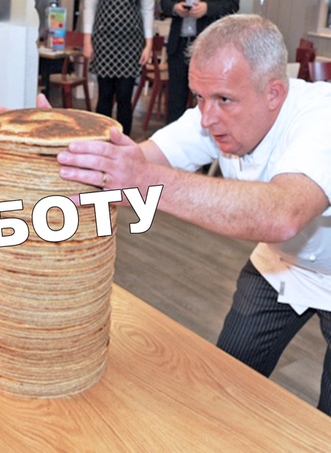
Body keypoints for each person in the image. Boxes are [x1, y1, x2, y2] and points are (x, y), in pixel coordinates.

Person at [56, 14, 331, 414]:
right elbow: (136, 162)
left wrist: (144, 180)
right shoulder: (211, 117)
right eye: (199, 97)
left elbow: (283, 214)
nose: (206, 118)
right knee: (226, 380)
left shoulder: (321, 117)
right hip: (281, 264)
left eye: (223, 100)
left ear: (274, 93)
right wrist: (55, 152)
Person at [82, 0, 154, 135]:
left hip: (132, 41)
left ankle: (124, 141)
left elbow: (147, 10)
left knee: (124, 96)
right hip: (103, 39)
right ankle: (101, 138)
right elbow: (90, 6)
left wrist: (148, 45)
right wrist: (87, 40)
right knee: (104, 95)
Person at [161, 0, 238, 124]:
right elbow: (164, 3)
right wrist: (175, 8)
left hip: (208, 46)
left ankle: (209, 131)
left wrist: (207, 8)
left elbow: (232, 5)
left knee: (208, 96)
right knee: (175, 98)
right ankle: (174, 133)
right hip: (178, 45)